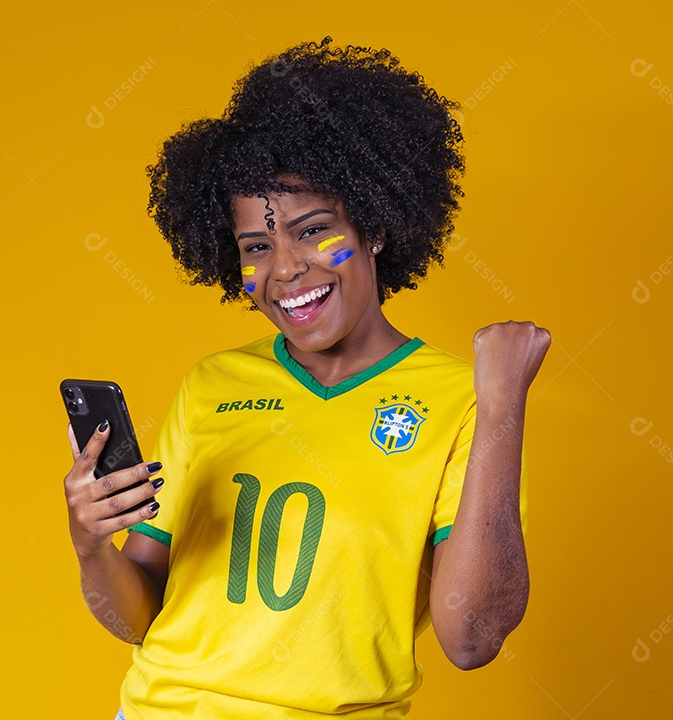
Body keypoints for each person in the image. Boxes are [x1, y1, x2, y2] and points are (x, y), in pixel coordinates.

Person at [63, 37, 551, 719]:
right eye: (256, 247)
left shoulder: (462, 401)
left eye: (313, 230)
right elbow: (138, 618)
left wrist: (502, 409)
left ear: (376, 225)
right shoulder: (211, 386)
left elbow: (472, 638)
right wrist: (90, 543)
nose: (284, 269)